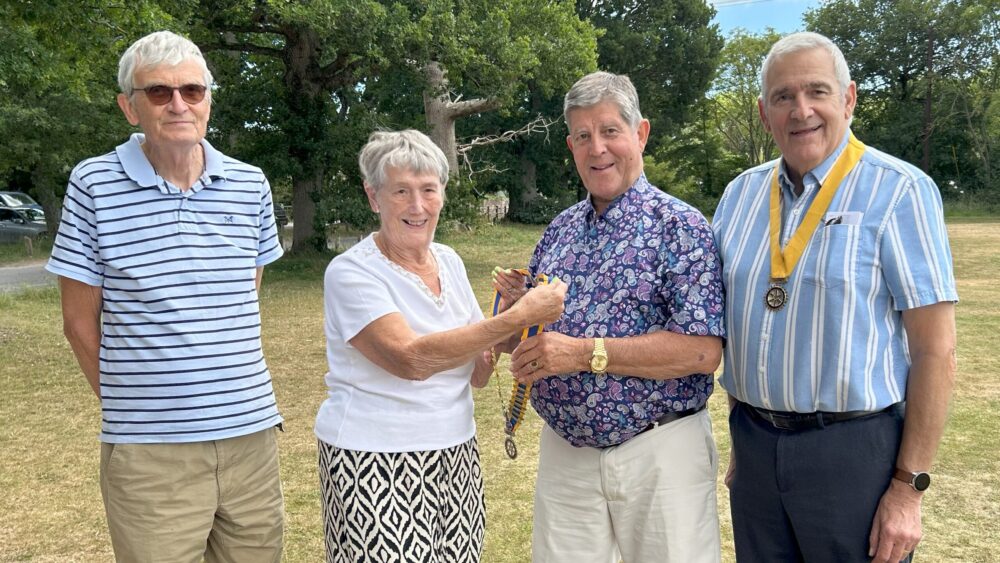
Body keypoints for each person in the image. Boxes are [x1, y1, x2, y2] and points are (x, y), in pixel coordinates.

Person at [712, 31, 958, 563]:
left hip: (853, 454)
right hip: (755, 447)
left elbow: (936, 351)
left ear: (848, 99)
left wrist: (907, 489)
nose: (801, 110)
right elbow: (733, 328)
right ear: (763, 112)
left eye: (816, 92)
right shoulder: (738, 197)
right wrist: (742, 442)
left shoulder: (900, 191)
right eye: (783, 97)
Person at [46, 31, 286, 562]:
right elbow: (79, 323)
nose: (179, 104)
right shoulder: (93, 184)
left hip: (251, 440)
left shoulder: (251, 185)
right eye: (158, 93)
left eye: (192, 91)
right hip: (152, 454)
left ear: (208, 100)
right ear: (129, 107)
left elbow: (245, 298)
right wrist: (138, 409)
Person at [495, 71, 725, 563]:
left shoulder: (681, 226)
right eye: (583, 136)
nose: (597, 148)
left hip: (660, 452)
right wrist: (514, 317)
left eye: (609, 131)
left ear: (639, 133)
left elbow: (702, 351)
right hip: (566, 456)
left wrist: (581, 354)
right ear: (570, 146)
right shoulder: (559, 231)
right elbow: (530, 339)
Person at [315, 129, 568, 563]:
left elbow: (478, 369)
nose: (418, 206)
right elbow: (412, 359)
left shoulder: (448, 260)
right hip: (375, 458)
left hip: (456, 452)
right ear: (374, 197)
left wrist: (510, 308)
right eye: (401, 192)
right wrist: (522, 315)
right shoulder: (351, 273)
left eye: (429, 190)